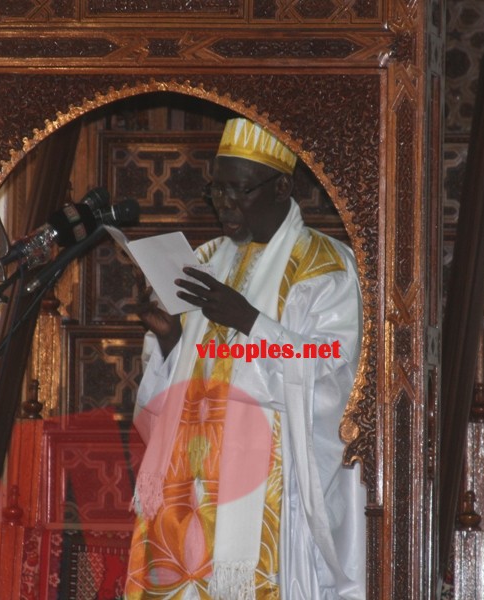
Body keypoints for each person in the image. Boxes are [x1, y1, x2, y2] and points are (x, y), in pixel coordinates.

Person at [125, 117, 366, 599]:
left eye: (240, 190)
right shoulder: (205, 258)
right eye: (218, 190)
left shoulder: (323, 265)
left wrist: (251, 321)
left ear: (282, 186)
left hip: (266, 485)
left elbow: (330, 374)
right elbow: (182, 381)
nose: (225, 204)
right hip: (185, 483)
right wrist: (172, 339)